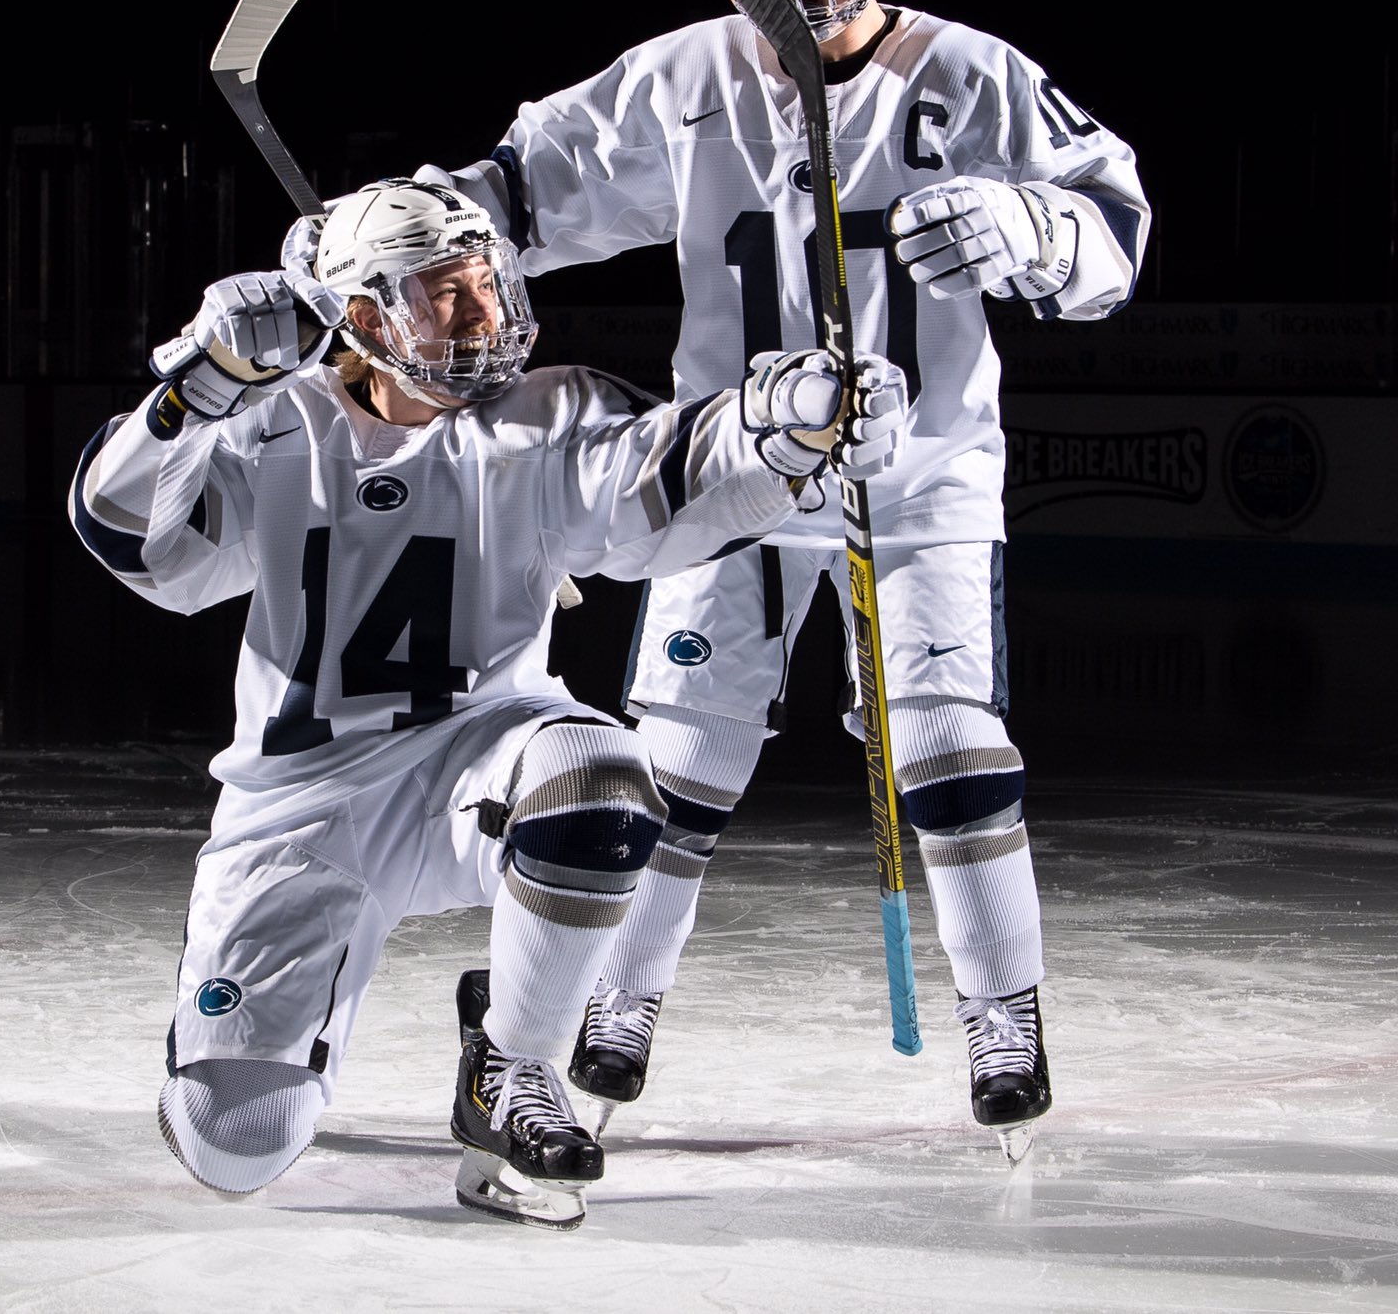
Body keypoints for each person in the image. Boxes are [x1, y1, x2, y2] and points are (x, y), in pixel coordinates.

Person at [421, 0, 1151, 1156]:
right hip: (734, 461)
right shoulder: (685, 77)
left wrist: (1030, 226)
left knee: (946, 739)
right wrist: (405, 224)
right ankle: (617, 999)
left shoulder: (973, 80)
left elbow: (1115, 230)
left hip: (922, 468)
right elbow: (522, 192)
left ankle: (1007, 1012)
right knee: (679, 757)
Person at [69, 178, 908, 1227]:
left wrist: (783, 437)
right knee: (235, 1139)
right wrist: (194, 389)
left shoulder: (546, 417)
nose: (484, 317)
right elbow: (132, 543)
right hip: (301, 810)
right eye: (443, 296)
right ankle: (261, 1050)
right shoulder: (272, 425)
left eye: (486, 285)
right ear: (365, 319)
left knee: (601, 780)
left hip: (483, 756)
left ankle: (510, 1068)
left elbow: (667, 484)